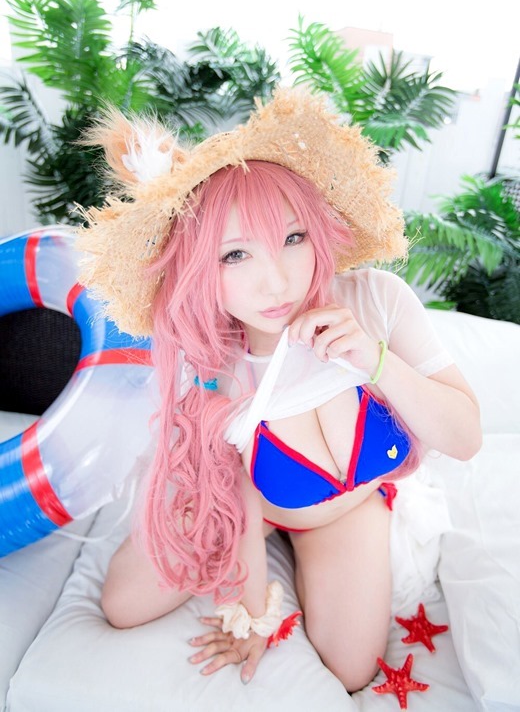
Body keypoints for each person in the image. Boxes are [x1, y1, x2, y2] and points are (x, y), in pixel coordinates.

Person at [77, 88, 481, 693]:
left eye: (293, 238)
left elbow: (466, 438)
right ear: (198, 267)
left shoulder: (376, 300)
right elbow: (239, 494)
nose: (276, 282)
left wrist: (374, 361)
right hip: (259, 506)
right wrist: (254, 607)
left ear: (319, 231)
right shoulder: (215, 362)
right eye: (235, 254)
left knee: (351, 666)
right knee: (123, 603)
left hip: (349, 511)